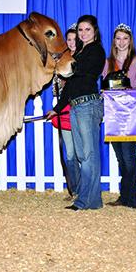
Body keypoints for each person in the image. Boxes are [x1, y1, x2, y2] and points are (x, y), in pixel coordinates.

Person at [46, 15, 105, 211]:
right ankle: (92, 200)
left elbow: (83, 74)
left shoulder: (96, 50)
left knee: (88, 155)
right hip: (76, 105)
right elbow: (71, 85)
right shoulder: (79, 52)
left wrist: (63, 67)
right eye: (80, 30)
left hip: (88, 105)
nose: (83, 33)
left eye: (87, 29)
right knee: (82, 154)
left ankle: (84, 201)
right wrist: (56, 109)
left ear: (94, 31)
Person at [101, 23, 136, 208]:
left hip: (130, 114)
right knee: (120, 157)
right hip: (113, 115)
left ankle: (132, 198)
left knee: (128, 157)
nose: (121, 42)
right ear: (114, 41)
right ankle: (124, 196)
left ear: (130, 41)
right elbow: (103, 85)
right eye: (118, 38)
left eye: (125, 38)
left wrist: (129, 90)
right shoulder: (107, 62)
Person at [50, 24, 80, 200]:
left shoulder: (82, 59)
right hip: (65, 110)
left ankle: (84, 189)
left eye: (74, 39)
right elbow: (55, 91)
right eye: (69, 39)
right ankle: (74, 189)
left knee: (81, 152)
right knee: (69, 153)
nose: (72, 42)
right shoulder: (61, 63)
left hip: (80, 107)